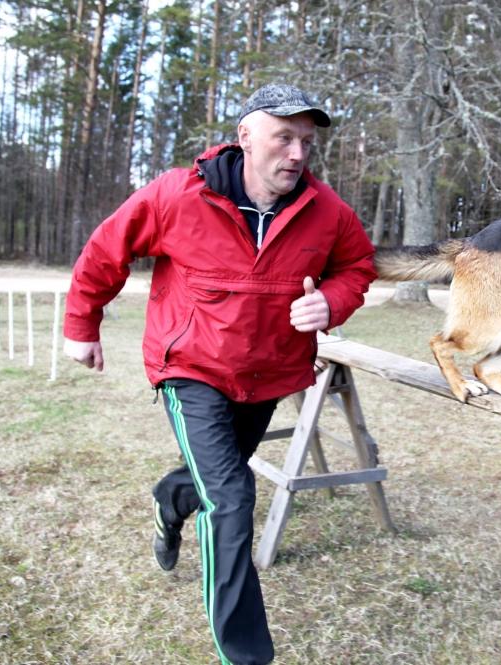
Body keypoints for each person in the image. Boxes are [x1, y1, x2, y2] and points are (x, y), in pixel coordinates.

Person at [62, 83, 376, 665]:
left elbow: (358, 265)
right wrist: (82, 324)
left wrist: (331, 301)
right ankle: (246, 655)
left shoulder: (327, 212)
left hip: (267, 374)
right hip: (191, 368)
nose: (297, 154)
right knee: (231, 497)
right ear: (245, 137)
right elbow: (107, 250)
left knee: (214, 479)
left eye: (307, 142)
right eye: (284, 138)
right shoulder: (177, 195)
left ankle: (170, 499)